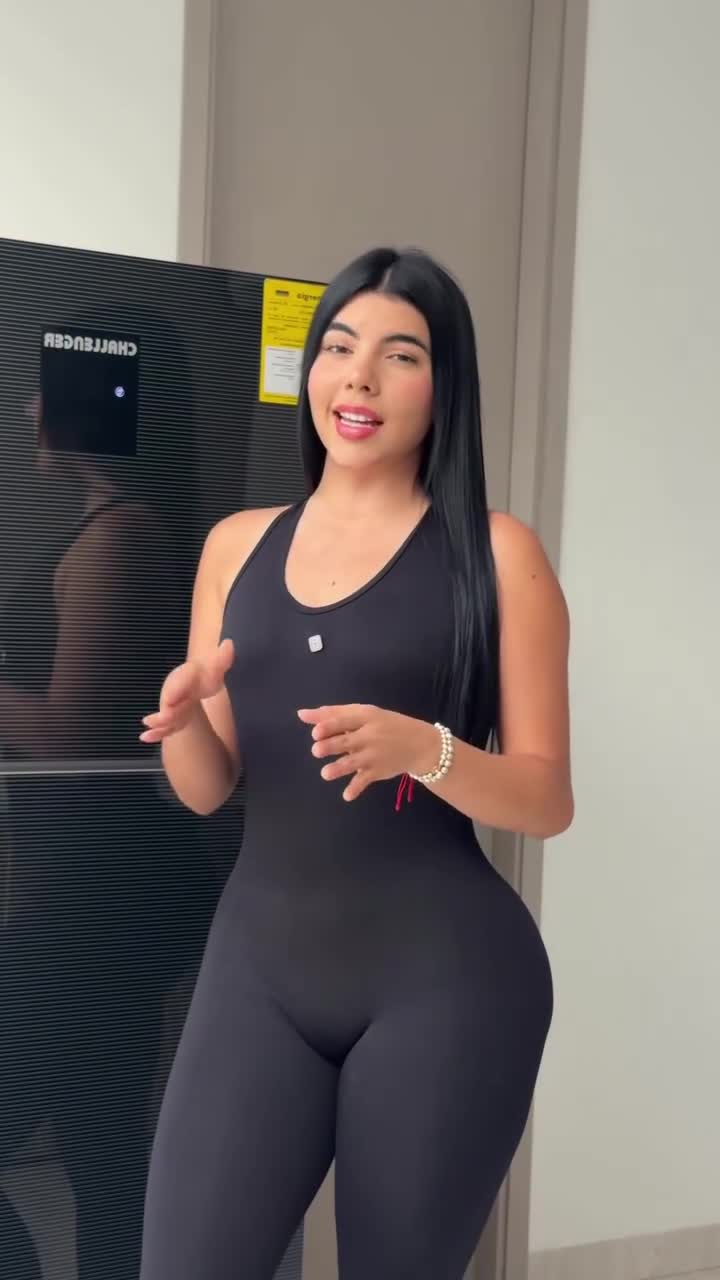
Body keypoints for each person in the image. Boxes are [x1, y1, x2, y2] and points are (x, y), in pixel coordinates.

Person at [138, 247, 573, 1280]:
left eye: (400, 355)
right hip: (259, 968)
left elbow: (546, 797)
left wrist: (428, 750)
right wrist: (184, 721)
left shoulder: (497, 553)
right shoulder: (235, 546)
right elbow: (208, 787)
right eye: (338, 348)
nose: (359, 378)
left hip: (446, 979)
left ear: (444, 386)